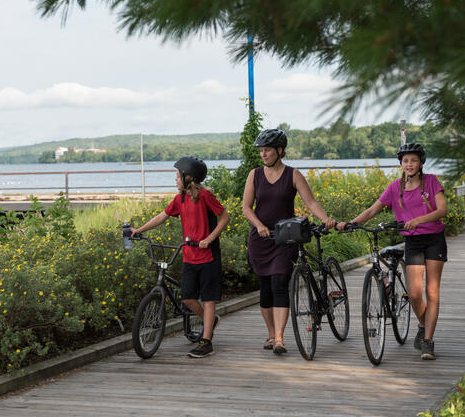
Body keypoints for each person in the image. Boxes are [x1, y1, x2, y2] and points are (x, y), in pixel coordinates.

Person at [337, 142, 447, 360]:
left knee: (432, 292)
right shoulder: (394, 188)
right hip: (413, 242)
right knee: (415, 294)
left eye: (413, 160)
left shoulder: (432, 181)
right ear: (401, 164)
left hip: (434, 239)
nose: (409, 164)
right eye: (405, 161)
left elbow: (442, 210)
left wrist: (417, 220)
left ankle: (428, 342)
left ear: (421, 162)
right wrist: (351, 223)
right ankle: (423, 325)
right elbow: (372, 210)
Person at [242, 129, 335, 355]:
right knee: (265, 291)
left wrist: (325, 219)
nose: (263, 154)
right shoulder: (254, 175)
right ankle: (271, 334)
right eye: (261, 151)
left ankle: (280, 339)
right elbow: (246, 207)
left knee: (279, 283)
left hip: (285, 238)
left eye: (268, 150)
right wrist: (259, 225)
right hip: (261, 239)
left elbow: (310, 202)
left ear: (280, 151)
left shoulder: (293, 175)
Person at [131, 156, 230, 358]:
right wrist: (138, 230)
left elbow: (225, 216)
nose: (175, 178)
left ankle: (206, 341)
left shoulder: (205, 196)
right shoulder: (180, 199)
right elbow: (162, 216)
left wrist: (209, 239)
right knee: (187, 298)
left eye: (178, 175)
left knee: (209, 299)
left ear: (189, 177)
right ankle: (211, 321)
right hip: (189, 255)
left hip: (208, 256)